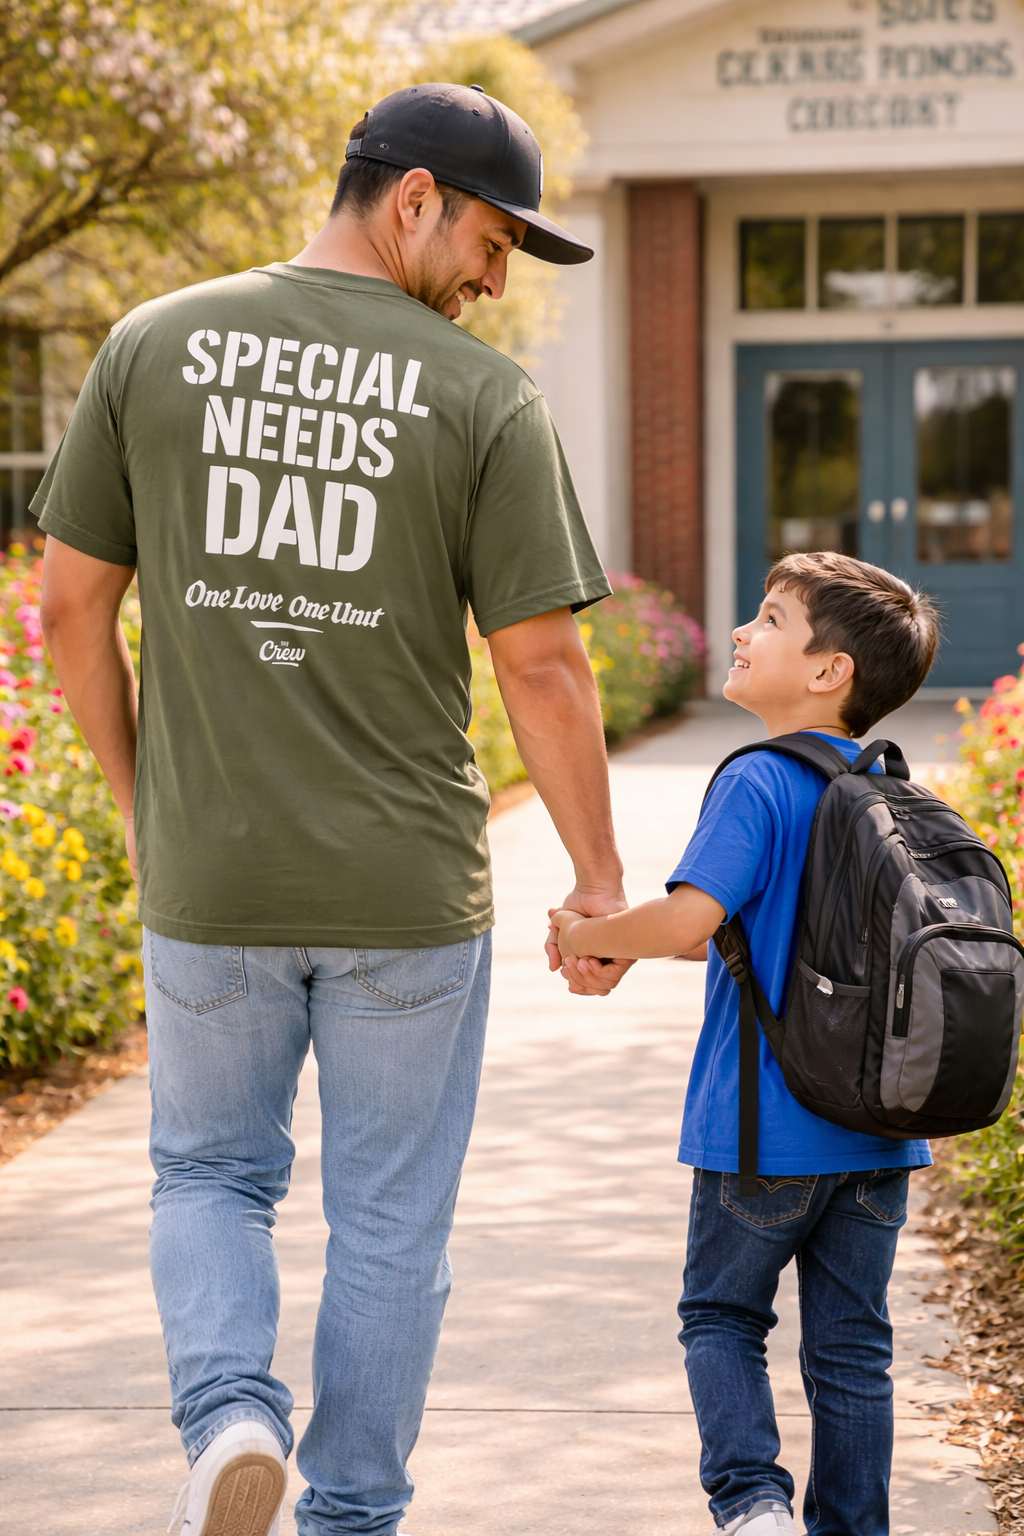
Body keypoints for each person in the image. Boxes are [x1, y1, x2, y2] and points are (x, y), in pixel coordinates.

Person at [35, 83, 630, 1536]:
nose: (497, 281)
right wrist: (600, 882)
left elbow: (65, 613)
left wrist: (144, 807)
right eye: (495, 241)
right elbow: (544, 666)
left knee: (210, 1177)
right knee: (389, 1227)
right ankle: (350, 1516)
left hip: (214, 879)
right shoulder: (481, 398)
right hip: (407, 899)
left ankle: (232, 1417)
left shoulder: (152, 345)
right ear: (414, 197)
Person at [549, 551, 940, 1536]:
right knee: (852, 1352)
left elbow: (690, 922)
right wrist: (641, 948)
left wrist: (591, 937)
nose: (740, 631)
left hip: (763, 1133)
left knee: (720, 1319)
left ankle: (752, 1506)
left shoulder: (759, 781)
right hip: (879, 1136)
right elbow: (762, 947)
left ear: (827, 672)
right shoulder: (884, 788)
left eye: (769, 619)